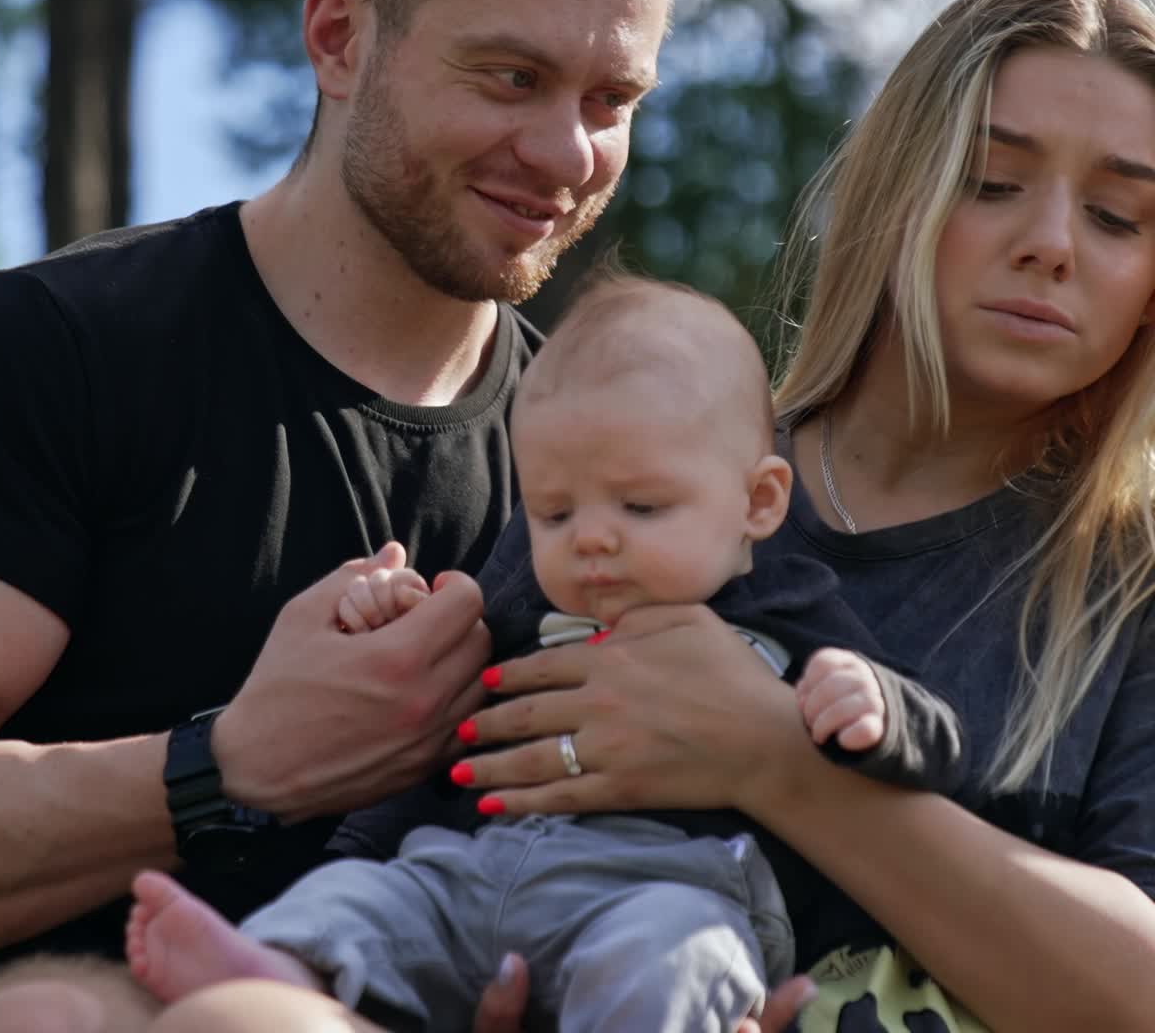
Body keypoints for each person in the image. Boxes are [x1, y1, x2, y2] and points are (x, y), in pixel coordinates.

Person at [0, 0, 710, 1033]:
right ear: (338, 38)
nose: (563, 154)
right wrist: (225, 768)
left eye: (611, 101)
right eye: (507, 76)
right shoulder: (40, 352)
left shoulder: (618, 462)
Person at [438, 0, 1155, 1032]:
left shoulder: (1130, 586)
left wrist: (776, 761)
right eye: (992, 182)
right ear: (896, 186)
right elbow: (436, 824)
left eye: (1115, 215)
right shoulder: (646, 463)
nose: (1049, 243)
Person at [116, 274, 968, 1032]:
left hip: (665, 886)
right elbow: (438, 722)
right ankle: (285, 967)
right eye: (555, 513)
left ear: (758, 501)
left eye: (639, 506)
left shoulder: (786, 609)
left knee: (674, 962)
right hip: (480, 878)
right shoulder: (531, 604)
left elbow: (937, 741)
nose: (592, 540)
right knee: (368, 900)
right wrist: (394, 613)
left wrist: (871, 704)